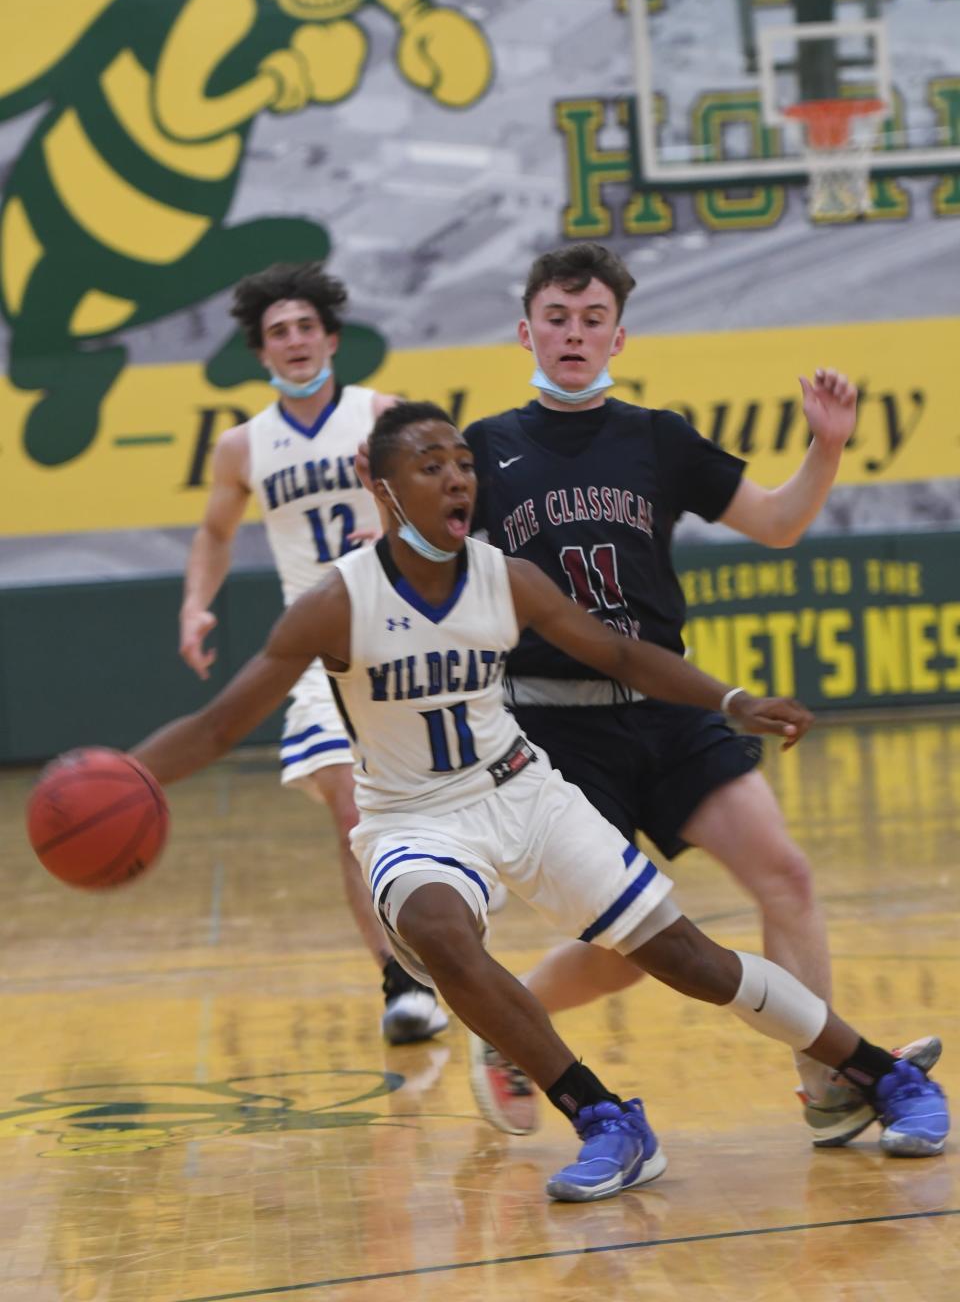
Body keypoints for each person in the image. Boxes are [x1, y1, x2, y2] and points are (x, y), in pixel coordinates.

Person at [131, 402, 948, 1203]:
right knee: (437, 930)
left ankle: (880, 1071)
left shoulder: (507, 578)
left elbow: (623, 652)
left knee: (689, 961)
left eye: (462, 464)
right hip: (411, 817)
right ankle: (605, 1117)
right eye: (430, 465)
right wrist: (125, 774)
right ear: (379, 485)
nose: (457, 479)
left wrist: (730, 700)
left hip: (522, 790)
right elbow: (214, 728)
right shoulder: (337, 602)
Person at [462, 241, 936, 1145]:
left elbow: (777, 521)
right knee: (629, 952)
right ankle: (510, 1030)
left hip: (671, 707)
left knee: (785, 875)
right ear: (526, 330)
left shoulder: (657, 437)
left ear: (619, 337)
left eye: (592, 319)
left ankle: (829, 1083)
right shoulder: (485, 447)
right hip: (554, 726)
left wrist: (826, 449)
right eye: (557, 319)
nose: (574, 333)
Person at [177, 261, 447, 1045]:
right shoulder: (242, 446)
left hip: (407, 638)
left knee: (428, 817)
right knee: (351, 815)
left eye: (305, 327)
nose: (294, 342)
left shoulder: (383, 415)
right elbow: (216, 534)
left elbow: (449, 503)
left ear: (331, 336)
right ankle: (403, 984)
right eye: (277, 333)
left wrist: (397, 529)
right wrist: (196, 603)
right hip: (319, 649)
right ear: (262, 353)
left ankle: (446, 948)